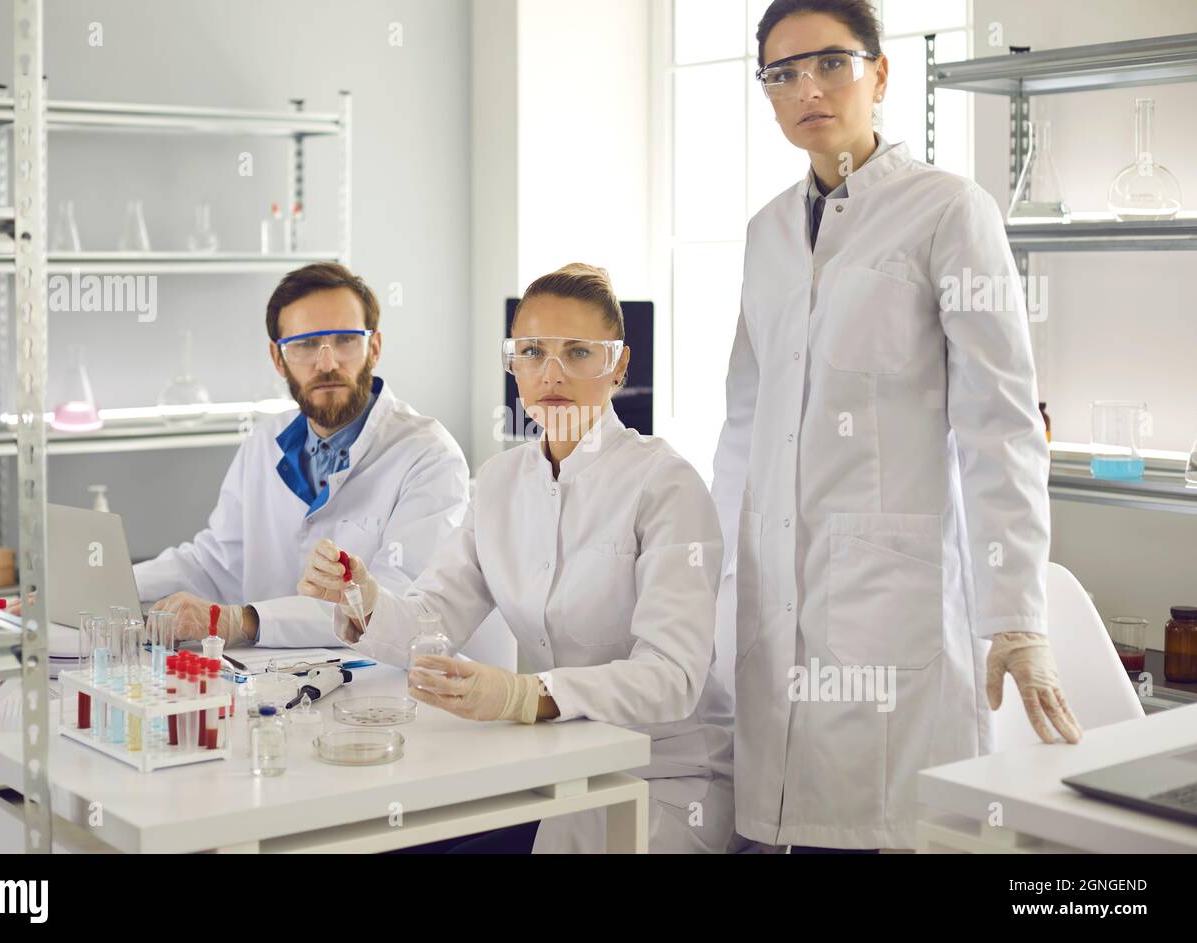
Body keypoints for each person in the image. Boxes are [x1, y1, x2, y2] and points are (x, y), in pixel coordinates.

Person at [712, 0, 1081, 853]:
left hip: (894, 598)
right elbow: (744, 420)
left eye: (830, 63)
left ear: (880, 74)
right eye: (782, 72)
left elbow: (1001, 425)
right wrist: (718, 579)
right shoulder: (765, 233)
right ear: (766, 94)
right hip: (775, 596)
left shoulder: (949, 212)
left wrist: (1015, 614)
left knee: (898, 830)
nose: (807, 87)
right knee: (779, 832)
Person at [299, 263, 737, 853]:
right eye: (532, 351)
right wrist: (363, 596)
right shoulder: (502, 481)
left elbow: (672, 678)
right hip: (552, 768)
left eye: (578, 352)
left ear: (619, 365)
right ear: (514, 364)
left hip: (666, 778)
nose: (551, 373)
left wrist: (525, 695)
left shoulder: (665, 484)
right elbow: (434, 622)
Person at [133, 262, 469, 647]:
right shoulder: (263, 443)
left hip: (377, 688)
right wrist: (107, 584)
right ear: (279, 360)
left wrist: (240, 621)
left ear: (373, 348)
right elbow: (213, 564)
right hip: (268, 683)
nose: (327, 363)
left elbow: (396, 607)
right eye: (306, 345)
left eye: (345, 340)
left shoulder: (428, 457)